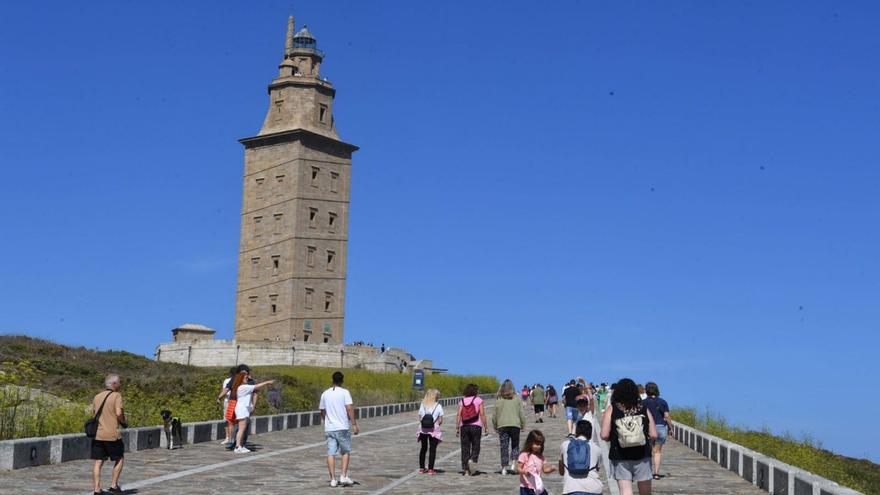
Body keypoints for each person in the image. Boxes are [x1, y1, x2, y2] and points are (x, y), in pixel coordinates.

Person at [601, 378, 657, 495]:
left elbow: (604, 435)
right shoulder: (643, 408)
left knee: (625, 491)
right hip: (642, 455)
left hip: (620, 456)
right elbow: (653, 434)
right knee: (645, 492)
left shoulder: (612, 409)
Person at [320, 371, 360, 487]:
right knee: (345, 451)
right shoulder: (345, 392)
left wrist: (326, 420)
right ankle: (343, 476)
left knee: (331, 453)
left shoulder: (325, 394)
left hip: (330, 428)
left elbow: (322, 410)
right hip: (342, 427)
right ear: (342, 381)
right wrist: (354, 424)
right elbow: (349, 408)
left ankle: (332, 479)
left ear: (332, 380)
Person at [90, 374, 126, 495]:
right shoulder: (117, 396)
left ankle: (96, 489)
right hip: (112, 434)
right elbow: (118, 412)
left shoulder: (97, 396)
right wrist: (123, 421)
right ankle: (114, 485)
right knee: (119, 458)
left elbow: (94, 414)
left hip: (98, 435)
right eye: (119, 382)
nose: (120, 384)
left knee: (98, 461)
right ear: (114, 384)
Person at [231, 369, 275, 453]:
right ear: (241, 379)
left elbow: (253, 385)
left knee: (242, 429)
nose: (247, 379)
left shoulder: (243, 386)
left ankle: (240, 445)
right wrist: (267, 382)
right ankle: (237, 447)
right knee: (241, 429)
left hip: (244, 409)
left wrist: (248, 378)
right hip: (242, 409)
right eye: (245, 378)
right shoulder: (243, 387)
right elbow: (257, 386)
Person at [558, 420, 604, 495]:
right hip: (594, 489)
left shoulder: (565, 445)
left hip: (571, 489)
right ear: (590, 434)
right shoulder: (597, 448)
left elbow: (561, 472)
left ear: (576, 432)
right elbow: (597, 469)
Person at [492, 379, 526, 475]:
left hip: (502, 425)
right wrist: (523, 424)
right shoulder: (517, 398)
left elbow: (495, 414)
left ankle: (503, 468)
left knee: (504, 446)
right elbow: (521, 413)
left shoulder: (499, 399)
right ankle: (513, 464)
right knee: (515, 446)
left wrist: (495, 425)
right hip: (515, 425)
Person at [456, 383, 488, 475]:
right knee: (476, 446)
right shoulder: (478, 400)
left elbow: (459, 414)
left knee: (465, 447)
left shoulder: (462, 401)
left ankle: (466, 470)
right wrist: (486, 427)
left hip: (464, 426)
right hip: (476, 426)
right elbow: (482, 414)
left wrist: (457, 427)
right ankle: (472, 460)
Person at [643, 382, 672, 480]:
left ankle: (647, 472)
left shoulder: (644, 402)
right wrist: (671, 428)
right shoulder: (663, 402)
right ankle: (656, 473)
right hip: (661, 428)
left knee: (649, 451)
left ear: (646, 391)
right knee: (657, 452)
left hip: (649, 428)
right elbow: (667, 417)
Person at [517, 430, 556, 495]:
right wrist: (524, 472)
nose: (539, 446)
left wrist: (552, 468)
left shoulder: (541, 456)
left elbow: (545, 470)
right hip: (526, 487)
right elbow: (518, 468)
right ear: (530, 442)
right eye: (537, 444)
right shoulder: (524, 455)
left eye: (540, 444)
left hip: (538, 486)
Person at [417, 388, 444, 474]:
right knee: (432, 449)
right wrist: (435, 425)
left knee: (423, 448)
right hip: (434, 430)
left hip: (423, 429)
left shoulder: (423, 405)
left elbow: (420, 418)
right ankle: (430, 469)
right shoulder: (438, 406)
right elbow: (440, 420)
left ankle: (421, 468)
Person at [216, 366, 237, 445]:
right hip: (237, 402)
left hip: (228, 401)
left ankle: (228, 437)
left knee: (227, 420)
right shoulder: (241, 380)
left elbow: (225, 390)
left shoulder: (227, 380)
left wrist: (219, 398)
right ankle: (233, 437)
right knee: (235, 421)